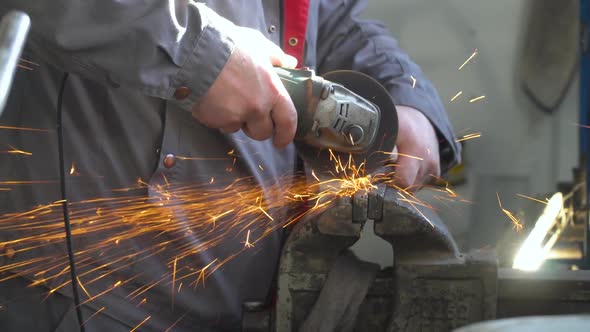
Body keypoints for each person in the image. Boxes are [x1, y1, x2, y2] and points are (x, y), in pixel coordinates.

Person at [0, 1, 460, 331]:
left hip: (245, 305)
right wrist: (201, 56)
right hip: (81, 297)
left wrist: (407, 97)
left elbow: (332, 14)